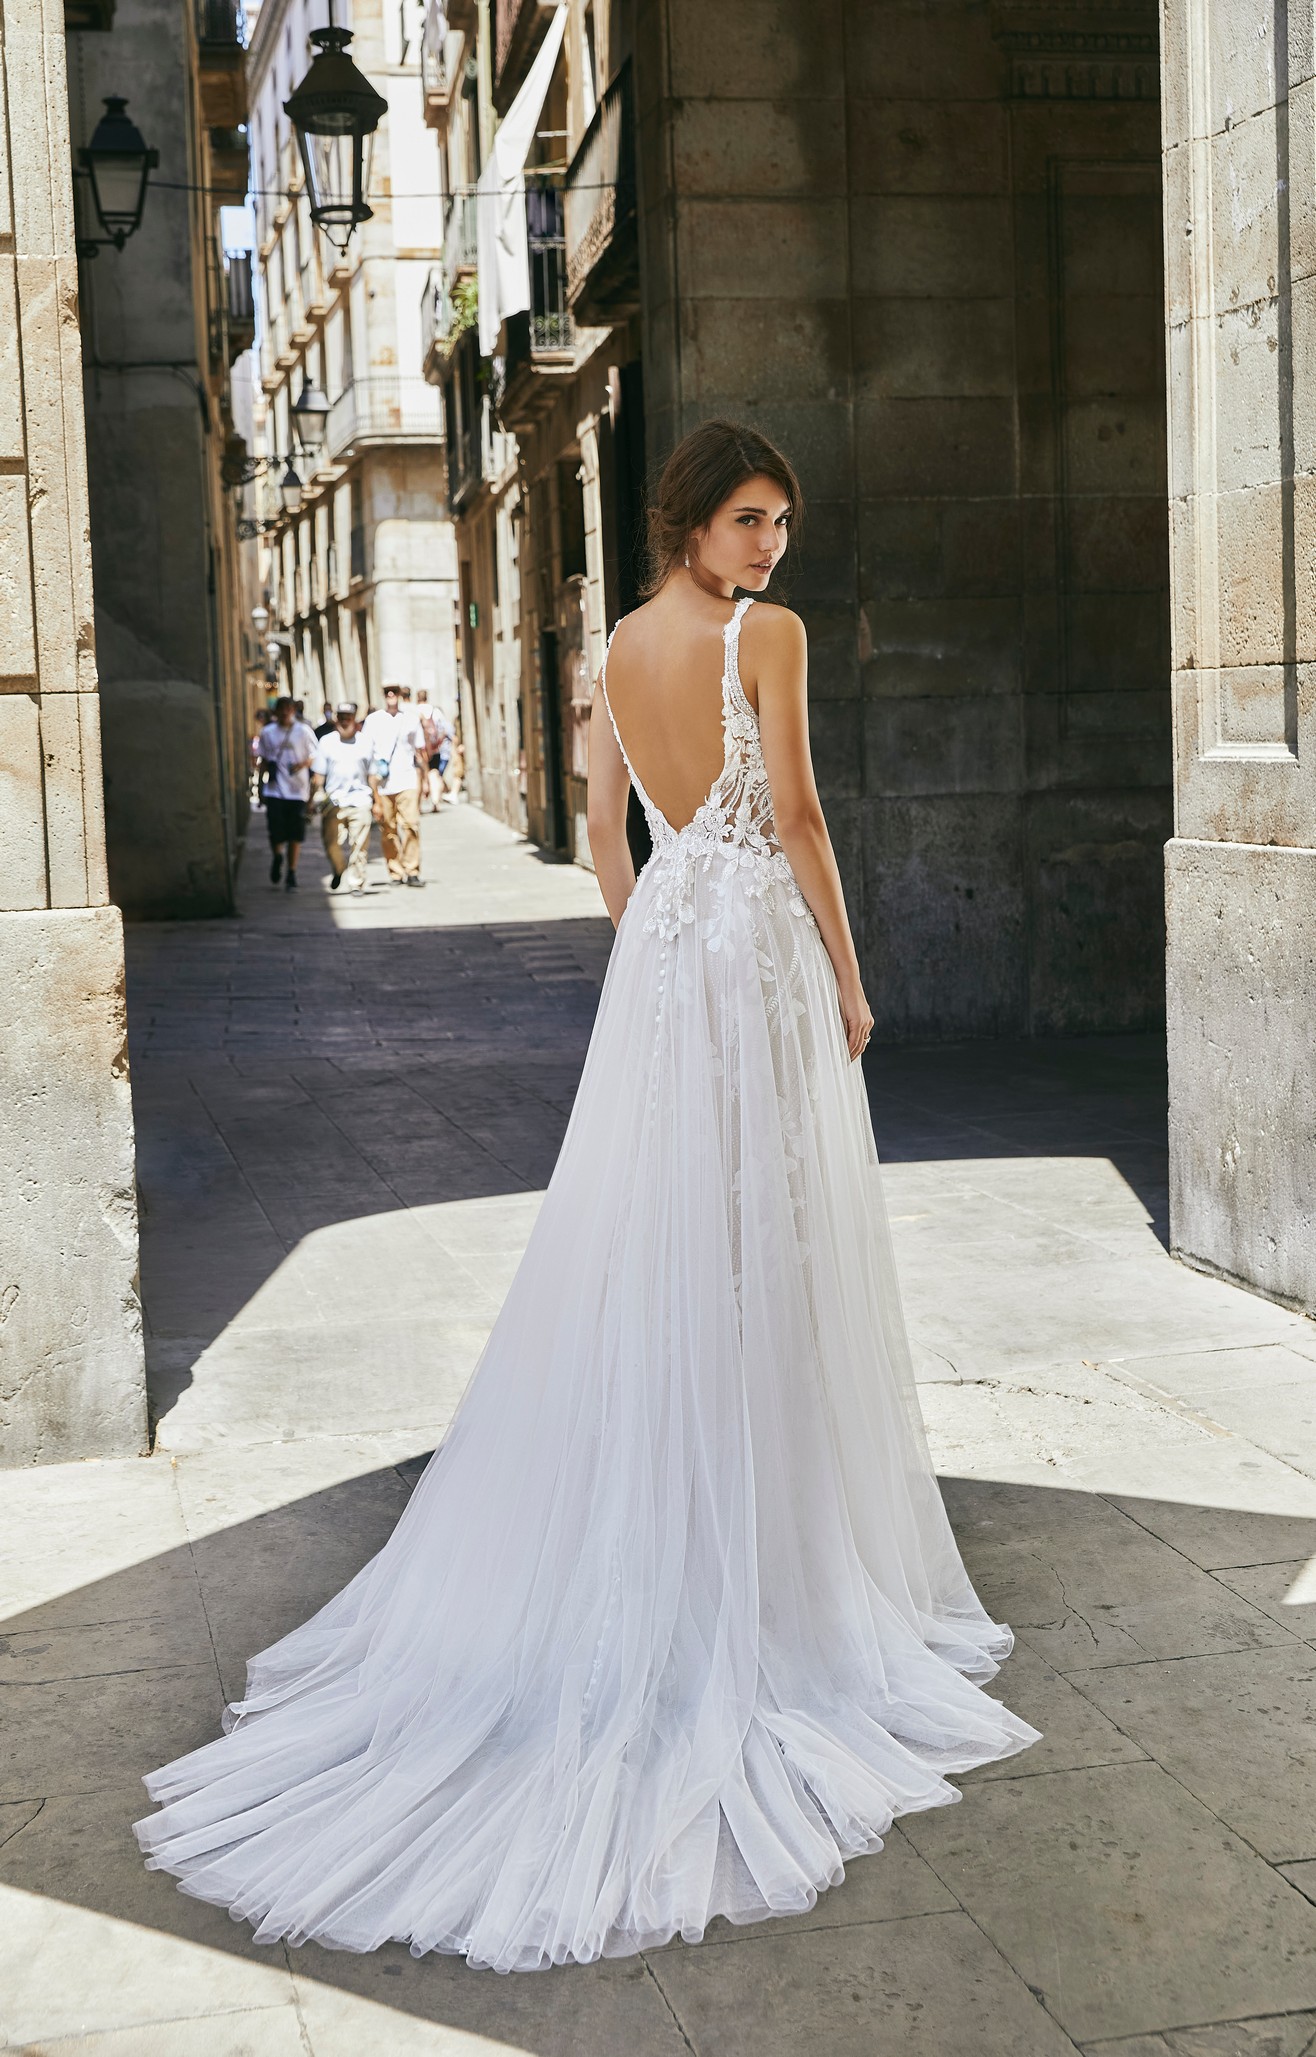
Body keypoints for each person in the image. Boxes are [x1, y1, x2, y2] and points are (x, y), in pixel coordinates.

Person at [136, 419, 1038, 1970]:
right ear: (692, 519)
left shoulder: (619, 646)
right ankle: (769, 1557)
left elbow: (596, 802)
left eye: (783, 525)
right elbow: (807, 820)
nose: (770, 549)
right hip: (751, 941)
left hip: (677, 946)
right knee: (761, 1238)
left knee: (669, 1236)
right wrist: (851, 971)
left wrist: (644, 940)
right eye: (749, 520)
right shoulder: (771, 637)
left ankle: (705, 1511)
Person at [360, 685, 426, 886]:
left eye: (394, 692)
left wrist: (425, 780)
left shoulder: (411, 719)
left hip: (407, 780)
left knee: (412, 826)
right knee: (388, 829)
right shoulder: (373, 720)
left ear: (400, 695)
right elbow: (365, 752)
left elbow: (420, 752)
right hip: (382, 783)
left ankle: (412, 869)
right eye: (387, 692)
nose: (391, 695)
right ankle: (395, 871)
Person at [311, 703, 374, 894]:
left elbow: (372, 773)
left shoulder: (365, 741)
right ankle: (339, 868)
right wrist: (312, 799)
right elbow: (319, 774)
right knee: (331, 844)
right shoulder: (327, 742)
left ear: (355, 719)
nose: (345, 721)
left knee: (359, 845)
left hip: (360, 799)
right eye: (341, 717)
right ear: (336, 719)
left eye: (349, 717)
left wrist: (377, 801)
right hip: (334, 802)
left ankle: (356, 882)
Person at [258, 696, 317, 890]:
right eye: (281, 709)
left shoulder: (303, 731)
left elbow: (315, 755)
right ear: (276, 711)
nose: (284, 712)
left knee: (295, 834)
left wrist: (302, 764)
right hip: (275, 790)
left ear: (293, 710)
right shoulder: (267, 732)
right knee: (275, 831)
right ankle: (277, 856)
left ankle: (291, 871)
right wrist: (266, 772)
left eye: (288, 708)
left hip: (297, 791)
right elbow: (261, 758)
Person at [415, 688, 454, 813]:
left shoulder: (414, 711)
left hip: (419, 750)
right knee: (434, 774)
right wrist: (437, 743)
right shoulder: (434, 710)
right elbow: (444, 729)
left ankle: (418, 805)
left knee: (419, 776)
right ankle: (435, 802)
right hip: (434, 749)